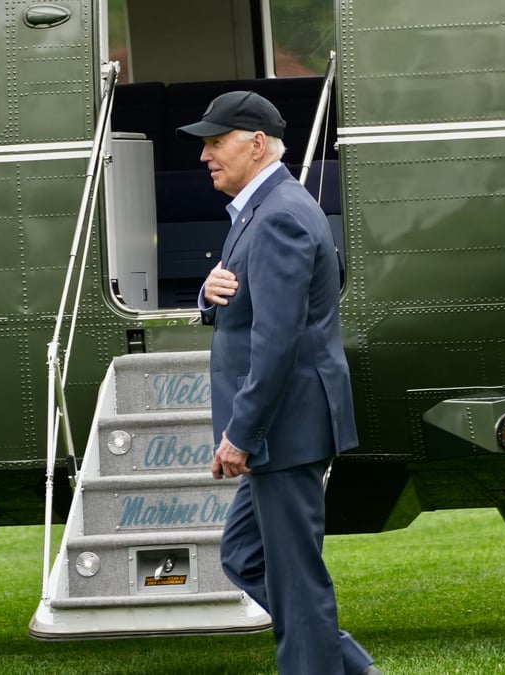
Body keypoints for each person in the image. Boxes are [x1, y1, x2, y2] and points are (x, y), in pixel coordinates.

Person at [176, 91, 381, 675]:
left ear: (257, 144)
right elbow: (245, 300)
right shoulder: (264, 210)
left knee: (295, 577)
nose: (205, 155)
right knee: (245, 555)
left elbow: (277, 341)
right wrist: (204, 294)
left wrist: (240, 435)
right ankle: (353, 667)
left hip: (283, 427)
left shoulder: (280, 214)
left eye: (217, 143)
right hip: (281, 427)